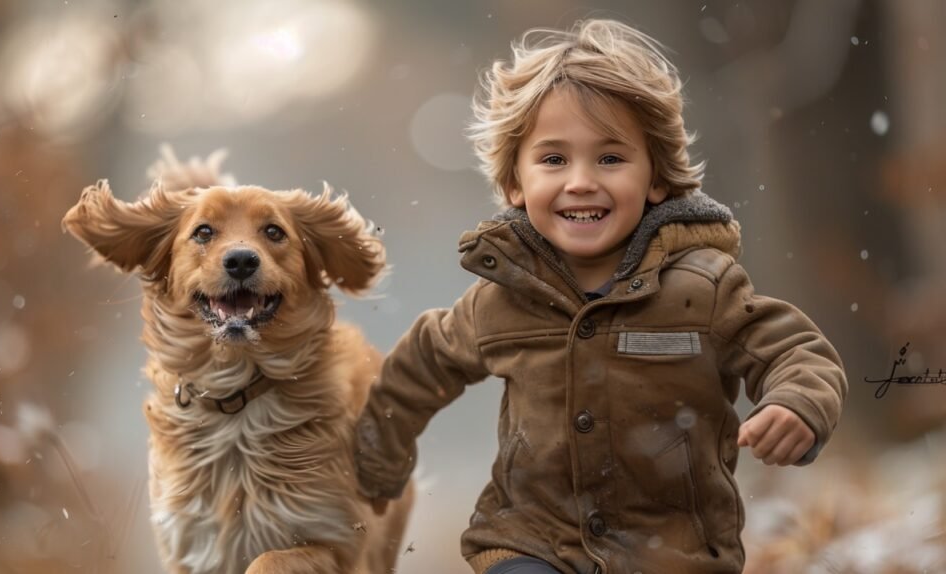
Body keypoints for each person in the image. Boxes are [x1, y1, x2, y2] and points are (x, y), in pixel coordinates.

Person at [353, 18, 847, 574]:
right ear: (515, 184)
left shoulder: (703, 288)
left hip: (672, 553)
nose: (581, 180)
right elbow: (423, 364)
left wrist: (796, 404)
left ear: (656, 178)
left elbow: (797, 351)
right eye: (553, 159)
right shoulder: (500, 300)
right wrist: (376, 460)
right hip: (531, 542)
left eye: (610, 158)